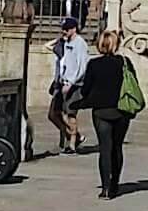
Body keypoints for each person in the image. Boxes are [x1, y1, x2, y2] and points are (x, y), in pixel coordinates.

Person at [81, 28, 136, 198]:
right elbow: (133, 84)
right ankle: (115, 184)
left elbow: (85, 90)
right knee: (117, 147)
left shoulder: (94, 64)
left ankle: (105, 188)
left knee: (105, 148)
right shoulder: (124, 63)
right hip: (121, 110)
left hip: (101, 111)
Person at [48, 16, 89, 153]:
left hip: (74, 84)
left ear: (74, 29)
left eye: (66, 29)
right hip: (62, 82)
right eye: (62, 29)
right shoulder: (65, 43)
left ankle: (72, 144)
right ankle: (74, 135)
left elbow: (82, 66)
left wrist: (72, 82)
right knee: (54, 113)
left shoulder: (80, 44)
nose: (63, 31)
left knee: (71, 114)